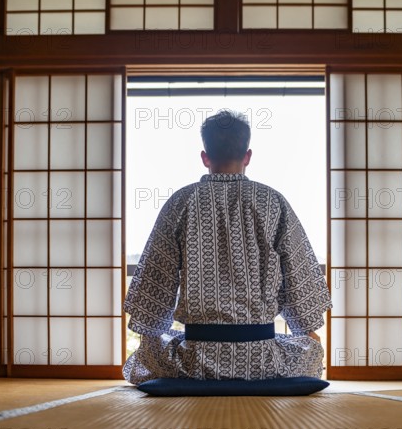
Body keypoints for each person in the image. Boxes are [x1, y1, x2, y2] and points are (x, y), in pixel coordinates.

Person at [123, 110, 331, 383]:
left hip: (194, 359)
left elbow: (155, 279)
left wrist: (150, 332)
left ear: (204, 157)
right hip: (262, 359)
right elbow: (299, 272)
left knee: (149, 350)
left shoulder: (180, 202)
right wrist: (306, 328)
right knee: (310, 350)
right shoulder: (273, 201)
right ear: (248, 156)